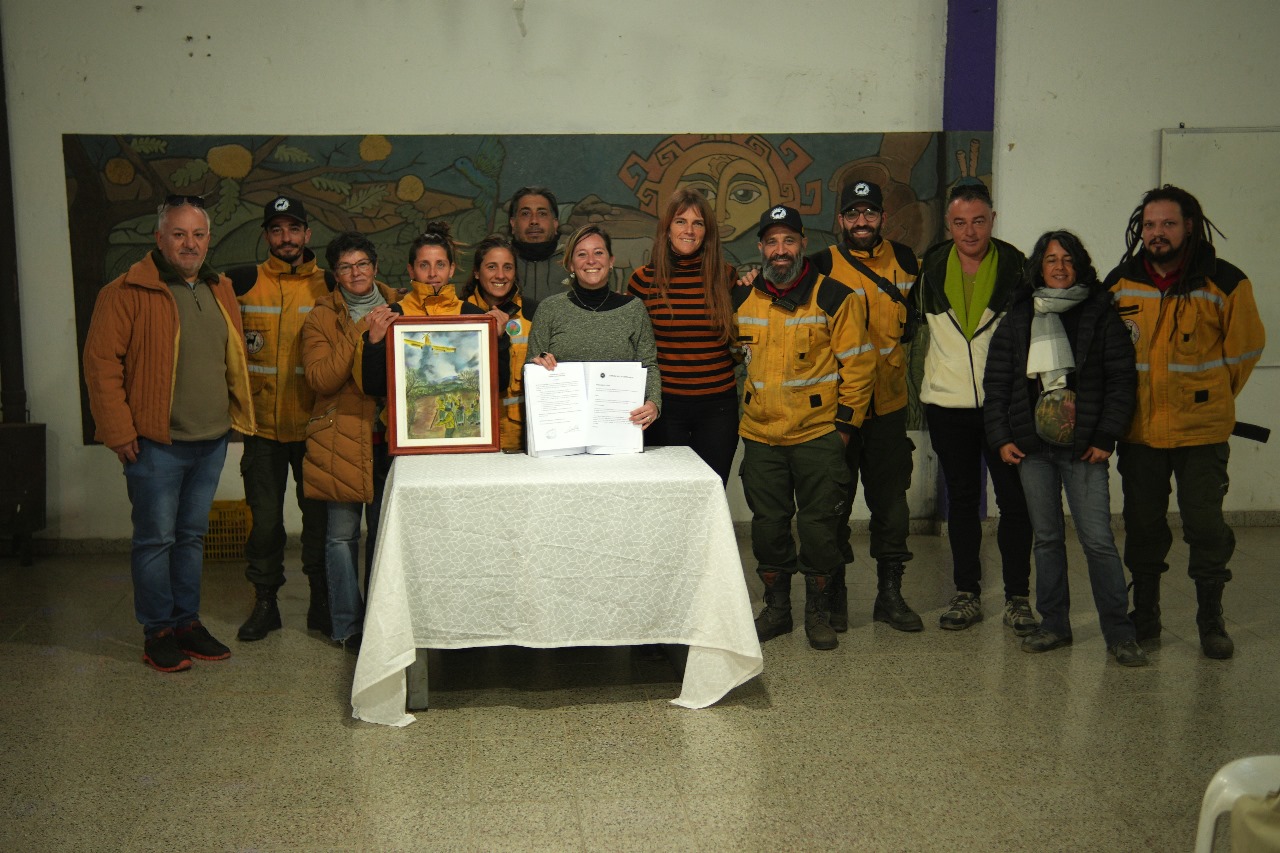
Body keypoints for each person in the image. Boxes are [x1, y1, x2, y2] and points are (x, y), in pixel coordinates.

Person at [82, 195, 255, 672]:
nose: (189, 243)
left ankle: (186, 623)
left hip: (211, 439)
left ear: (207, 240)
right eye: (178, 234)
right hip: (156, 443)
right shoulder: (125, 291)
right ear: (159, 238)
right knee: (155, 539)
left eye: (198, 235)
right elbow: (100, 366)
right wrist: (118, 431)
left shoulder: (218, 288)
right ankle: (157, 630)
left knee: (190, 537)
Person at [1106, 185, 1265, 660]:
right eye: (1150, 225)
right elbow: (1108, 355)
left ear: (1189, 226)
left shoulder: (1226, 282)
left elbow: (1244, 352)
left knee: (1206, 526)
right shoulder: (1122, 282)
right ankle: (1147, 616)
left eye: (1168, 224)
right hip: (1140, 435)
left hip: (1201, 434)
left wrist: (1209, 398)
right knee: (1143, 527)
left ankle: (1210, 620)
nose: (1157, 233)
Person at [983, 230, 1147, 666]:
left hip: (1084, 449)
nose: (1059, 267)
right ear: (1038, 266)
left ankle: (1119, 632)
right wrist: (1002, 437)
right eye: (1051, 259)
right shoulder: (1020, 314)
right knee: (1048, 540)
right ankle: (1054, 624)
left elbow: (1121, 380)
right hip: (1033, 447)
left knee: (1097, 542)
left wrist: (1104, 437)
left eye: (1068, 260)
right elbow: (997, 382)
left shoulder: (1100, 312)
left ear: (1080, 266)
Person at [736, 205, 877, 651]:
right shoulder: (741, 298)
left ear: (802, 245)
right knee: (768, 527)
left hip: (818, 435)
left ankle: (818, 612)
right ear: (760, 247)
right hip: (761, 437)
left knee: (819, 528)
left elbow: (859, 366)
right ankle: (777, 609)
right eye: (772, 242)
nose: (780, 251)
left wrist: (844, 428)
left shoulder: (834, 297)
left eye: (789, 241)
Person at [912, 182, 1036, 635]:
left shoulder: (1017, 267)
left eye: (978, 221)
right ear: (949, 225)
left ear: (992, 219)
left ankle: (1018, 598)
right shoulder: (931, 269)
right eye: (960, 222)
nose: (970, 231)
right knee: (962, 503)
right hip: (947, 407)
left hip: (1003, 409)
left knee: (1014, 503)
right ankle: (966, 593)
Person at [812, 180, 923, 634]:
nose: (862, 222)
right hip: (836, 411)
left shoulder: (906, 261)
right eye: (853, 214)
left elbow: (912, 327)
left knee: (891, 505)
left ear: (882, 217)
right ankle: (834, 594)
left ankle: (889, 595)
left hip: (889, 407)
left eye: (870, 213)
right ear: (840, 220)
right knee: (833, 503)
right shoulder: (821, 264)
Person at [227, 196, 331, 643]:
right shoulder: (242, 283)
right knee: (265, 524)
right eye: (276, 230)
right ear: (267, 236)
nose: (285, 238)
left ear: (308, 235)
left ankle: (321, 604)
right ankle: (265, 603)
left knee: (320, 524)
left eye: (293, 229)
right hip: (262, 433)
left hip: (316, 430)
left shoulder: (331, 285)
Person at [299, 232, 400, 653]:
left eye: (362, 264)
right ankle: (346, 626)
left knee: (383, 535)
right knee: (341, 538)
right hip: (340, 437)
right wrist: (364, 330)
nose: (355, 273)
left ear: (375, 267)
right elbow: (322, 378)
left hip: (388, 439)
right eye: (345, 267)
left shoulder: (401, 307)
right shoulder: (320, 317)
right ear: (334, 275)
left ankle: (380, 623)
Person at [627, 188, 739, 485]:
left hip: (718, 409)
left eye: (698, 223)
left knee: (711, 492)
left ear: (707, 232)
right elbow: (631, 345)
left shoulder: (727, 277)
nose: (689, 230)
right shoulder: (642, 280)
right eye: (680, 221)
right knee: (669, 494)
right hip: (665, 408)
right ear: (666, 229)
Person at [527, 225, 661, 426]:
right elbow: (531, 365)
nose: (591, 260)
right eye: (582, 254)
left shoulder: (633, 309)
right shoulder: (550, 309)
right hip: (562, 429)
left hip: (620, 427)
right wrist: (537, 365)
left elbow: (648, 365)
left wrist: (653, 403)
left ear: (611, 261)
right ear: (571, 265)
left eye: (598, 252)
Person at [461, 234, 536, 452]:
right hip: (473, 435)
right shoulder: (459, 314)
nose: (501, 275)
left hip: (521, 440)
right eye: (491, 267)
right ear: (476, 272)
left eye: (508, 267)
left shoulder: (534, 313)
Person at [508, 186, 564, 303]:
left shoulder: (573, 260)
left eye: (542, 214)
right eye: (525, 214)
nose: (534, 221)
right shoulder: (501, 261)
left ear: (555, 224)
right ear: (513, 224)